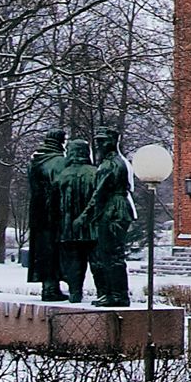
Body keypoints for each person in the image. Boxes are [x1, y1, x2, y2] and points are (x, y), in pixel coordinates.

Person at [87, 129, 136, 307]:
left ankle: (118, 295)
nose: (99, 145)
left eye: (103, 141)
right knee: (108, 254)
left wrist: (85, 216)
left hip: (115, 210)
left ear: (113, 141)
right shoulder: (110, 162)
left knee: (112, 254)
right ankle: (112, 294)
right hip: (113, 209)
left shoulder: (112, 163)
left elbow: (99, 192)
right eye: (98, 141)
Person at [26, 130, 67, 301]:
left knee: (43, 249)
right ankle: (51, 288)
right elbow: (61, 188)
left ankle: (48, 287)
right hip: (53, 213)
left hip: (37, 211)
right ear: (60, 142)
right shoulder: (58, 162)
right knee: (54, 250)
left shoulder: (35, 160)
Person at [57, 139, 96, 303]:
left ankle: (75, 293)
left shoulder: (63, 174)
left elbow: (58, 202)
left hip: (68, 227)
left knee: (73, 262)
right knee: (95, 261)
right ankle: (101, 291)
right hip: (91, 227)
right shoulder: (94, 172)